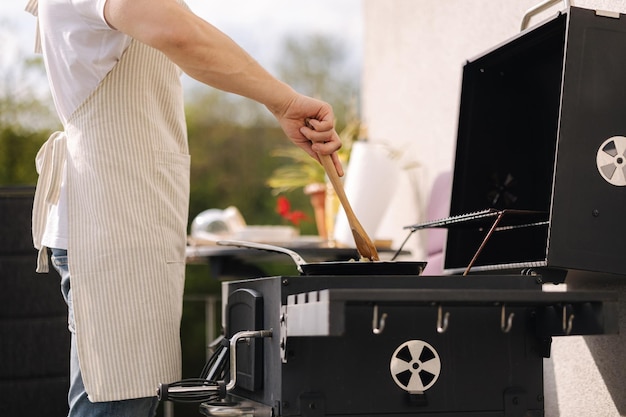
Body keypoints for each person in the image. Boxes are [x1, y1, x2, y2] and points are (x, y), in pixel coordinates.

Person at [26, 0, 344, 415]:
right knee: (116, 402)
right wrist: (283, 102)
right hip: (111, 222)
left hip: (129, 221)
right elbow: (180, 33)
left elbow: (187, 27)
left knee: (130, 398)